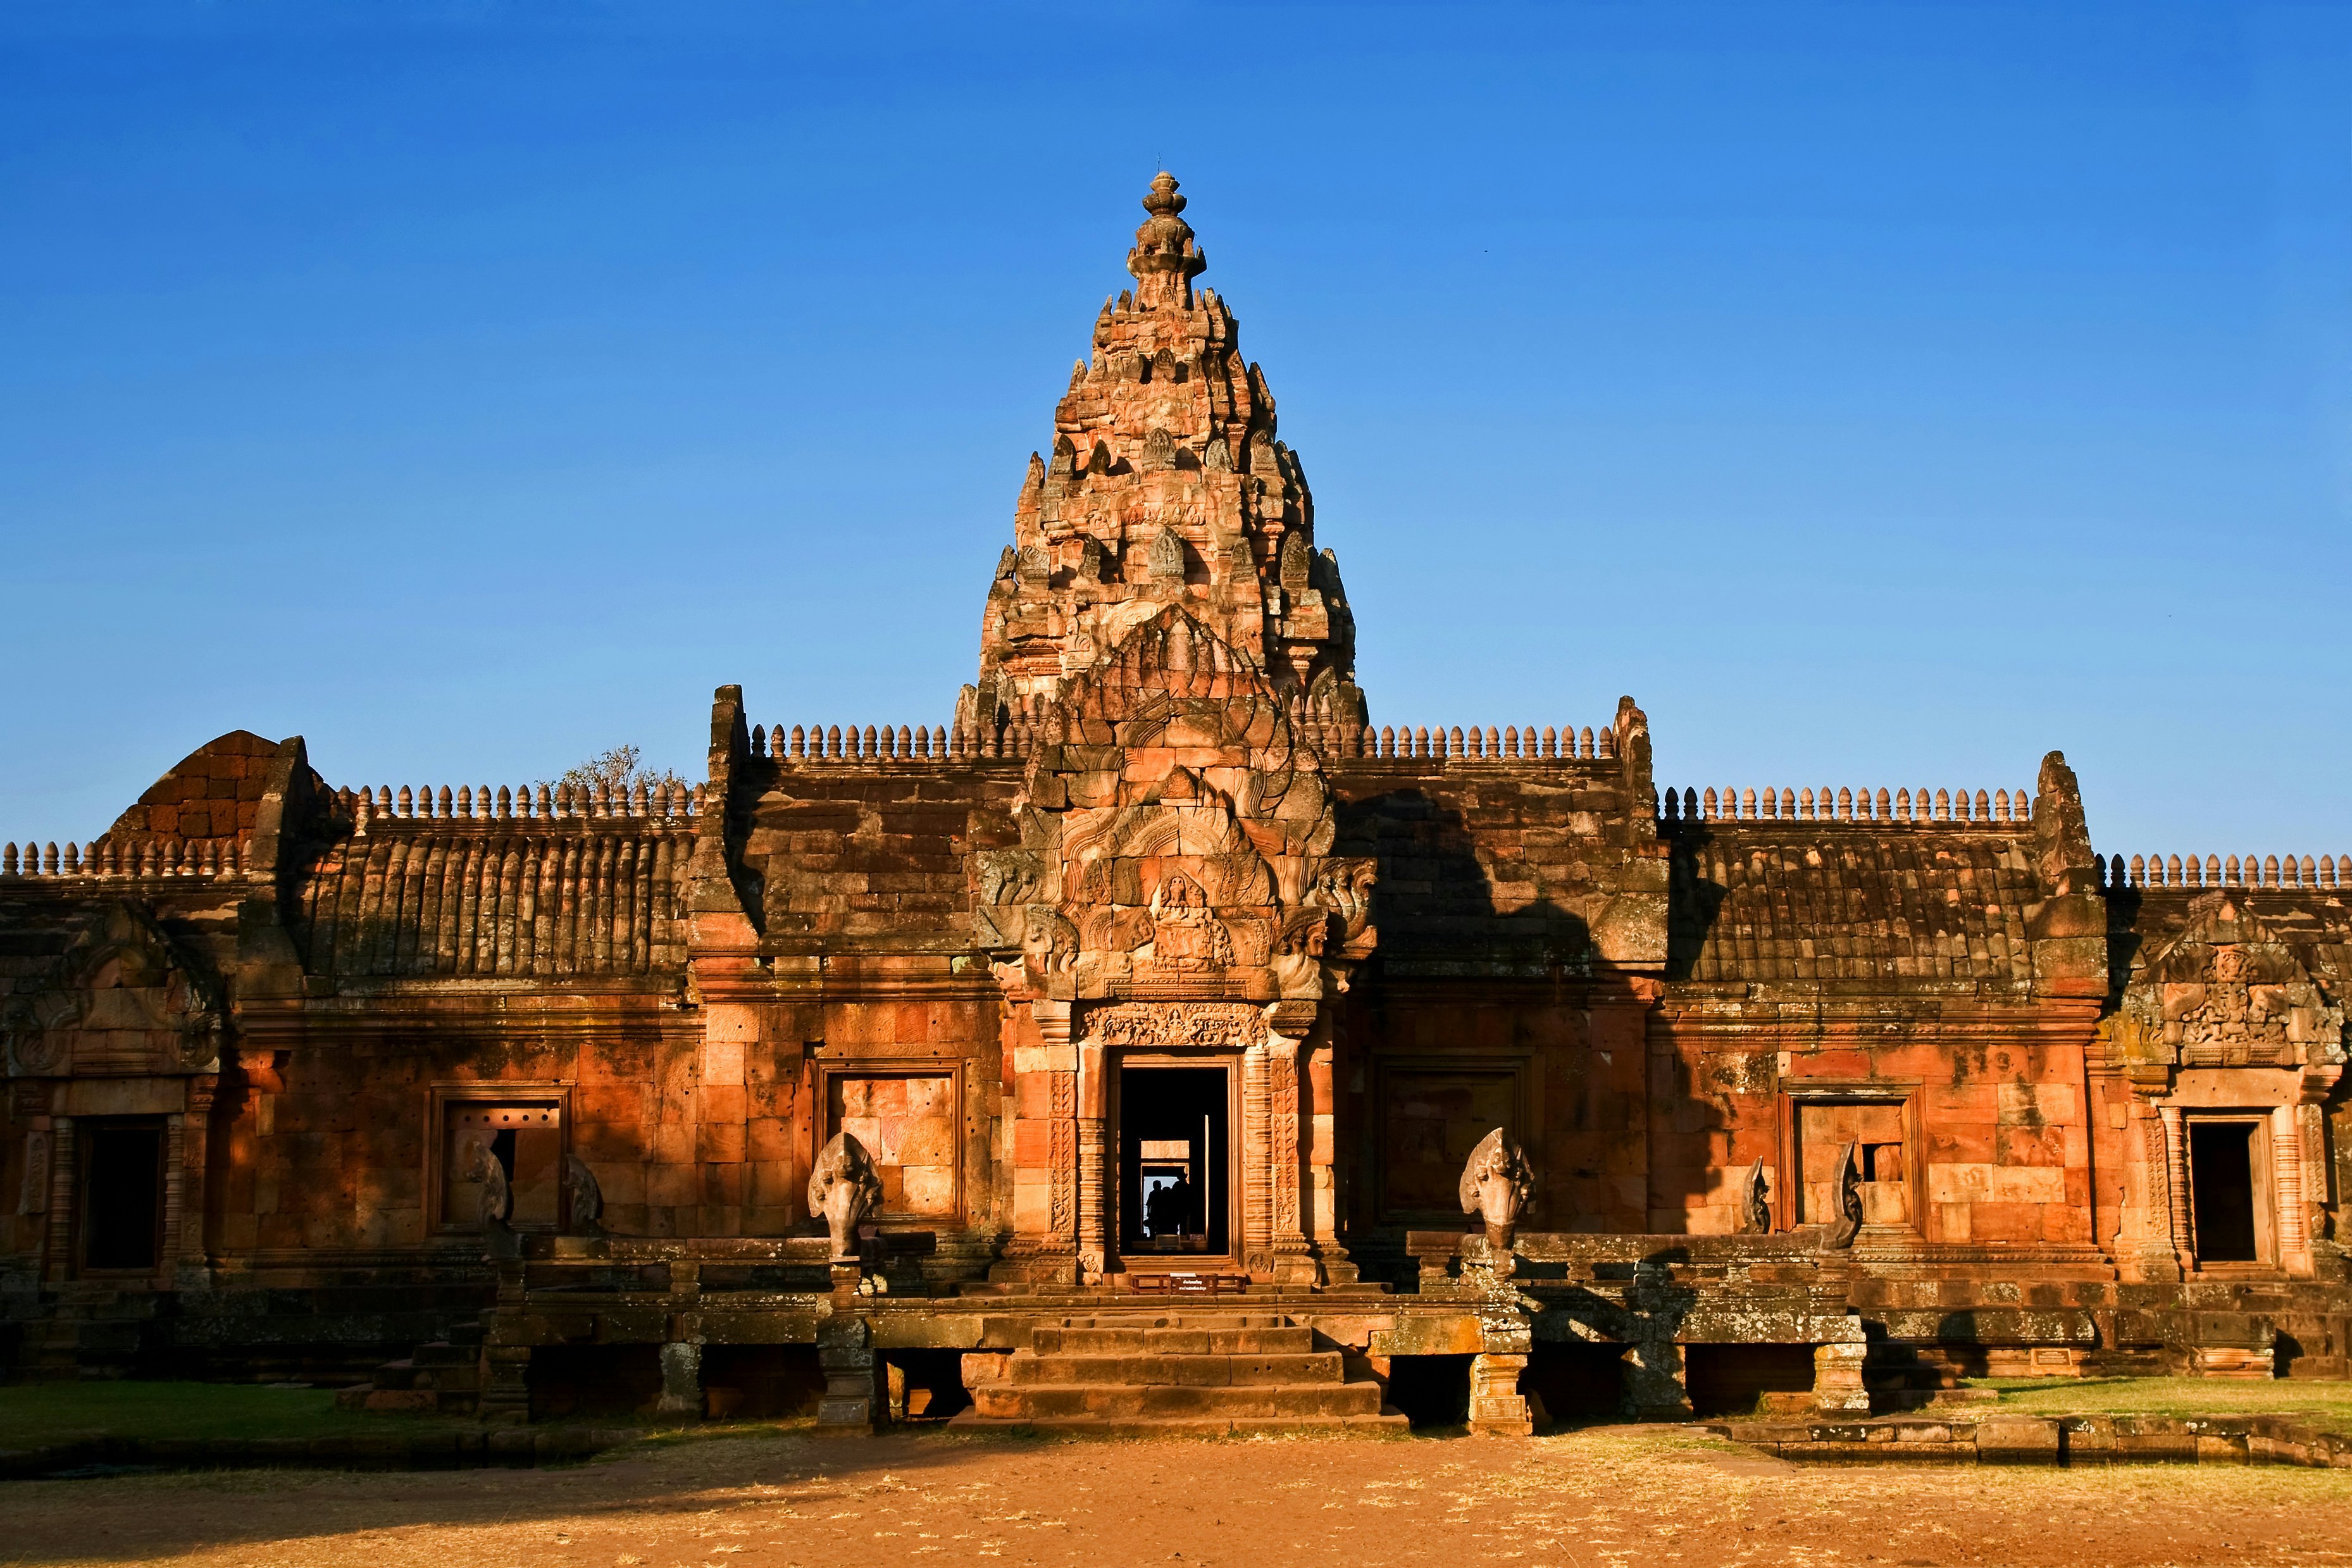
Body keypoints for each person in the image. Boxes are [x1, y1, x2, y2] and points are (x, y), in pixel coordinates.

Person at [1145, 1171, 1192, 1238]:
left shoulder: (1179, 1186)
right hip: (1178, 1210)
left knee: (1180, 1224)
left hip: (1179, 1209)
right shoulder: (1182, 1186)